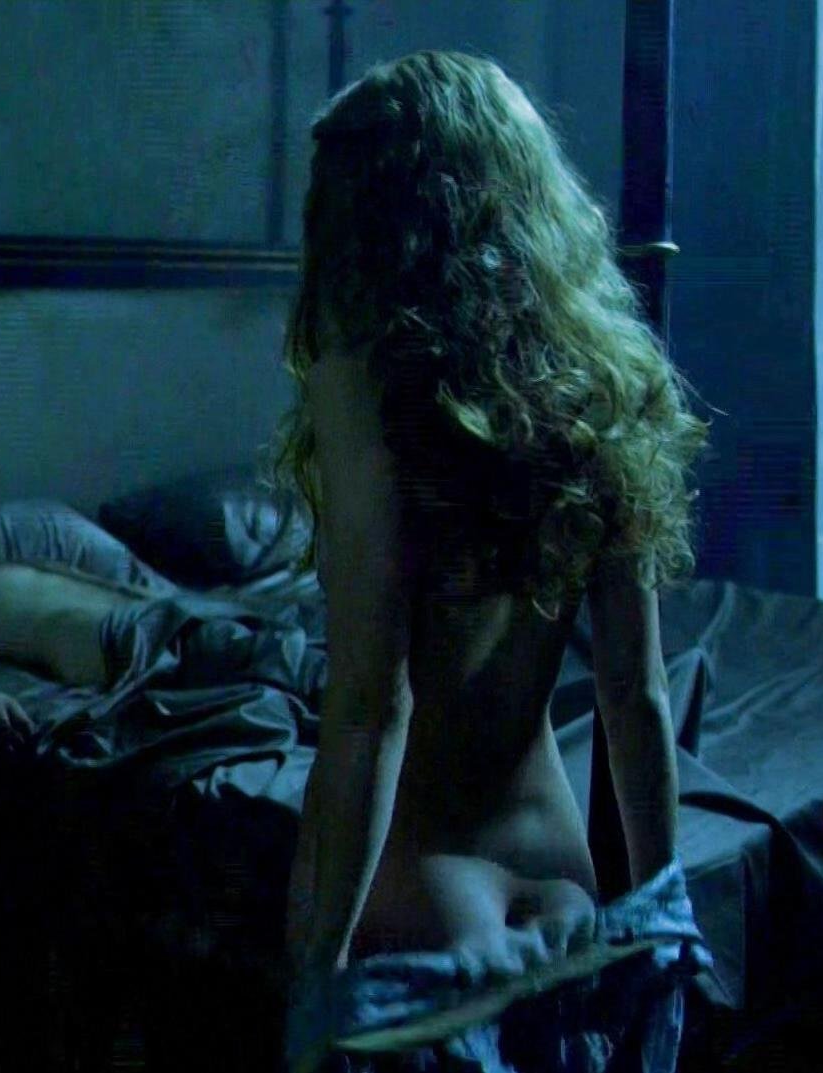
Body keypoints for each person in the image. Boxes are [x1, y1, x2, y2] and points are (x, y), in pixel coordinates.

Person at [273, 52, 711, 1071]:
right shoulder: (598, 374)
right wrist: (663, 916)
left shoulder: (368, 379)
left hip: (426, 888)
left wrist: (315, 978)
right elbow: (635, 693)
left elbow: (371, 709)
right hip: (563, 883)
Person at [0, 468, 322, 750]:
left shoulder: (9, 564)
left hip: (177, 618)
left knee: (308, 656)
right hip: (137, 646)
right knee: (307, 673)